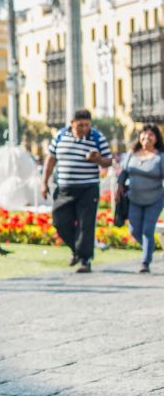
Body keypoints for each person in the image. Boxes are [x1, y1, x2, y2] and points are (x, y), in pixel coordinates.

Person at [41, 108, 112, 273]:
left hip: (88, 188)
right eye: (80, 125)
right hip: (65, 188)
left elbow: (108, 160)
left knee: (86, 225)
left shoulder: (97, 137)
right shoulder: (60, 136)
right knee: (59, 221)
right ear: (72, 124)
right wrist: (44, 182)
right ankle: (77, 250)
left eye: (87, 125)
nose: (84, 128)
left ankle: (85, 260)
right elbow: (51, 160)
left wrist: (98, 159)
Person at [117, 124, 164, 273]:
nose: (147, 138)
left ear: (156, 138)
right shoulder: (132, 154)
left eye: (151, 135)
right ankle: (149, 248)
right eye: (144, 134)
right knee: (134, 230)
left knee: (147, 230)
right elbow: (123, 172)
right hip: (134, 199)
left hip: (155, 199)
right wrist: (119, 188)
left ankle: (145, 262)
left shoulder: (160, 157)